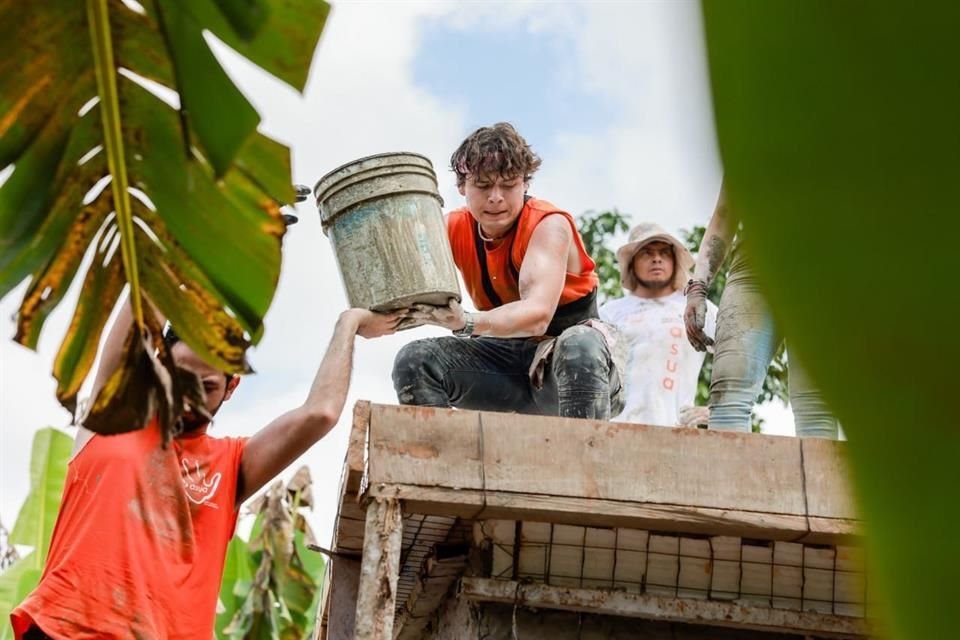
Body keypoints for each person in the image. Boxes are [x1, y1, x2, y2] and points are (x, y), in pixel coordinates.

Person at [10, 300, 402, 639]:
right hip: (66, 630)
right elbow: (144, 297)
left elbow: (320, 413)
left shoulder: (232, 464)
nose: (190, 397)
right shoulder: (113, 415)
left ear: (230, 388)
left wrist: (347, 325)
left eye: (208, 386)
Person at [393, 123, 623, 419]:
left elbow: (538, 316)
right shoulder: (452, 228)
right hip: (505, 368)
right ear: (462, 186)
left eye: (508, 184)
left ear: (526, 183)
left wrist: (467, 322)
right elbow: (401, 279)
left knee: (578, 345)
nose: (496, 197)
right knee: (415, 361)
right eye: (484, 185)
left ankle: (583, 460)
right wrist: (364, 319)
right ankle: (438, 460)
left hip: (572, 373)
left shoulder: (548, 225)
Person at [684, 183, 839, 438]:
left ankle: (819, 478)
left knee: (817, 404)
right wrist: (698, 285)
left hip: (824, 267)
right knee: (728, 395)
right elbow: (725, 213)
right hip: (755, 267)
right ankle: (730, 478)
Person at [599, 222, 717, 427]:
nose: (656, 258)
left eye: (664, 252)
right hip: (616, 430)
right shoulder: (609, 313)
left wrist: (718, 409)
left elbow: (737, 356)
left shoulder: (695, 307)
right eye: (646, 253)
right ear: (632, 263)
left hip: (678, 431)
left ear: (675, 261)